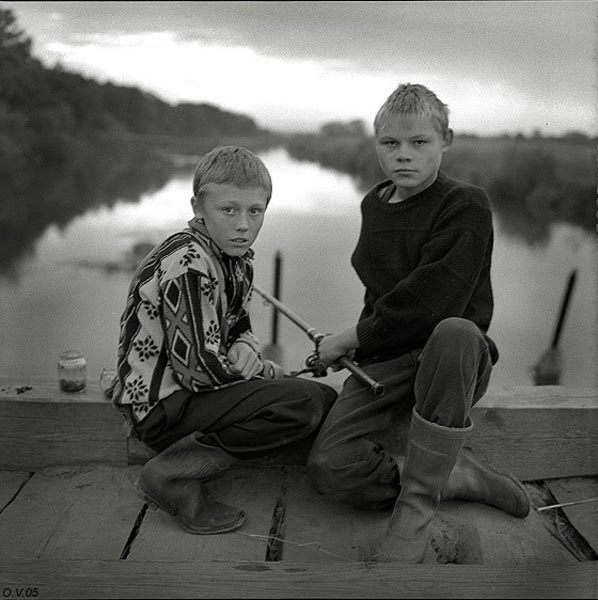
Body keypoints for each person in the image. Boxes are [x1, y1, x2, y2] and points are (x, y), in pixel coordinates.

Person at [306, 84, 530, 563]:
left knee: (454, 330)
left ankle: (416, 509)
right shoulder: (373, 205)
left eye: (419, 142)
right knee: (329, 466)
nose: (402, 156)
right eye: (390, 144)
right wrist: (352, 350)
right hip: (389, 363)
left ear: (445, 140)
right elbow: (380, 298)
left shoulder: (467, 204)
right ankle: (457, 475)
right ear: (376, 145)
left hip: (449, 363)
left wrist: (351, 335)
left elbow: (432, 300)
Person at [110, 145, 337, 535]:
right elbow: (199, 371)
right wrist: (268, 372)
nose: (243, 225)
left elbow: (239, 325)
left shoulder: (235, 259)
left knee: (314, 399)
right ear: (198, 206)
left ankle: (184, 462)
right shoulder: (189, 264)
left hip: (191, 393)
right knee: (304, 402)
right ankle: (171, 474)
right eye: (228, 210)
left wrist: (246, 347)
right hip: (162, 407)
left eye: (255, 211)